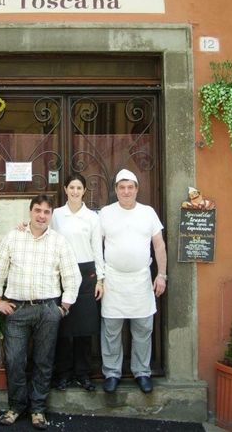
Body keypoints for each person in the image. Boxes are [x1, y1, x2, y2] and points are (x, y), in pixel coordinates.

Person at [0, 194, 81, 430]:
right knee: (15, 360)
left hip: (48, 310)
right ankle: (16, 406)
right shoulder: (13, 237)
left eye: (46, 212)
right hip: (17, 310)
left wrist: (64, 306)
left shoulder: (58, 242)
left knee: (44, 361)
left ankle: (38, 409)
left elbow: (72, 276)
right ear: (30, 212)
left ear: (51, 215)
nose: (41, 215)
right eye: (38, 210)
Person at [99, 169, 167, 395]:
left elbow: (159, 245)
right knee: (111, 331)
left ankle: (142, 372)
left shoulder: (148, 213)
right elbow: (95, 246)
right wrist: (99, 277)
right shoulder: (106, 213)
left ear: (137, 189)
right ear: (116, 190)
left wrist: (162, 274)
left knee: (142, 329)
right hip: (113, 281)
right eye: (122, 187)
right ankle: (111, 373)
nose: (126, 191)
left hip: (140, 280)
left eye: (130, 187)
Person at [51, 173, 104, 392]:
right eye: (71, 187)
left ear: (84, 191)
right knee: (63, 328)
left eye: (79, 188)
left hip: (86, 273)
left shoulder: (92, 217)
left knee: (84, 329)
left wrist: (100, 279)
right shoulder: (56, 214)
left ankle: (83, 374)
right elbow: (50, 242)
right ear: (65, 189)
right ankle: (63, 374)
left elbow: (97, 249)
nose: (75, 191)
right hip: (61, 272)